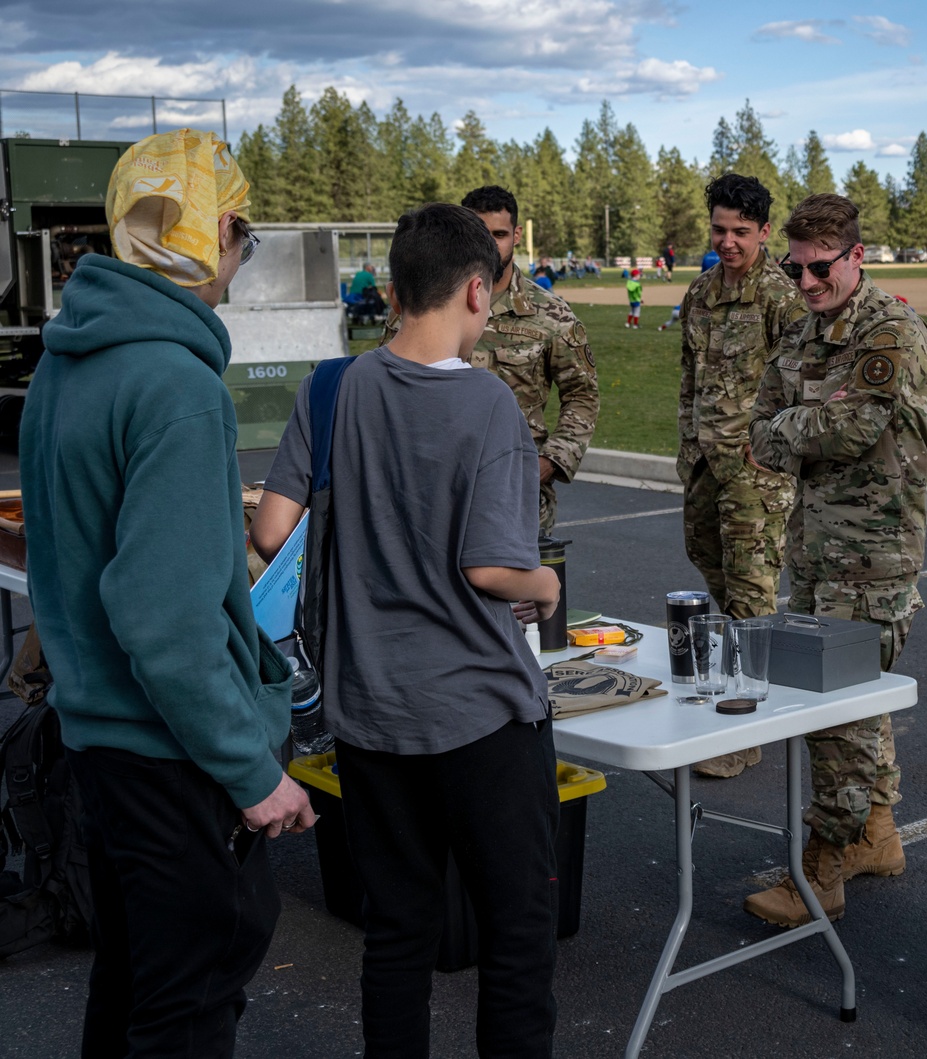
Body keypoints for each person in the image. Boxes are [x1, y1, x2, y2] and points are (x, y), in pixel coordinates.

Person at [19, 128, 316, 1058]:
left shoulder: (64, 362)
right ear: (215, 230)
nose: (240, 259)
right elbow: (165, 621)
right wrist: (253, 770)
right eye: (244, 235)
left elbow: (87, 556)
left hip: (98, 745)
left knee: (132, 991)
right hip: (172, 757)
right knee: (185, 1011)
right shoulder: (178, 385)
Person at [252, 202, 561, 1058]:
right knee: (516, 935)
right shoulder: (490, 405)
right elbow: (491, 569)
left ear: (392, 291)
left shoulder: (331, 386)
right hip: (479, 716)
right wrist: (548, 581)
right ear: (475, 289)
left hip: (369, 714)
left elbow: (273, 532)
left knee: (397, 936)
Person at [745, 193, 927, 927]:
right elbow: (755, 433)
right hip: (818, 555)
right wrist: (800, 424)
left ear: (857, 256)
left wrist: (792, 424)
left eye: (820, 268)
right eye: (795, 269)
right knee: (854, 707)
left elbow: (852, 427)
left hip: (873, 560)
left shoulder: (892, 332)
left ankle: (822, 866)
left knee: (835, 718)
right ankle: (876, 834)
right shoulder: (805, 334)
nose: (806, 283)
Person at [678, 173, 806, 779]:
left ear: (764, 232)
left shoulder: (783, 298)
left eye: (741, 232)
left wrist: (777, 450)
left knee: (752, 598)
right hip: (706, 466)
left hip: (757, 473)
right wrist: (686, 450)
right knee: (714, 576)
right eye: (720, 229)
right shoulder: (699, 295)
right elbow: (690, 381)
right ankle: (732, 692)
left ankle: (745, 729)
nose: (728, 242)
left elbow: (808, 386)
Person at [381, 185, 599, 534]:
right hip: (428, 489)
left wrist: (550, 461)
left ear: (516, 235)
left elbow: (582, 394)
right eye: (480, 233)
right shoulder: (422, 303)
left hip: (514, 495)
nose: (490, 245)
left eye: (499, 234)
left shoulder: (551, 315)